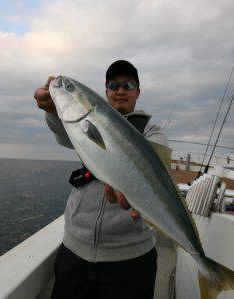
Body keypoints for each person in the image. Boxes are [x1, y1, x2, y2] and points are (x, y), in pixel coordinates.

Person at [34, 60, 168, 299]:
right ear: (105, 91)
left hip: (130, 260)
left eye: (128, 84)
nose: (120, 90)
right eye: (113, 85)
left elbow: (158, 174)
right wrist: (52, 110)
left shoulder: (151, 131)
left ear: (138, 91)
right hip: (75, 250)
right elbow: (65, 135)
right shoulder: (86, 125)